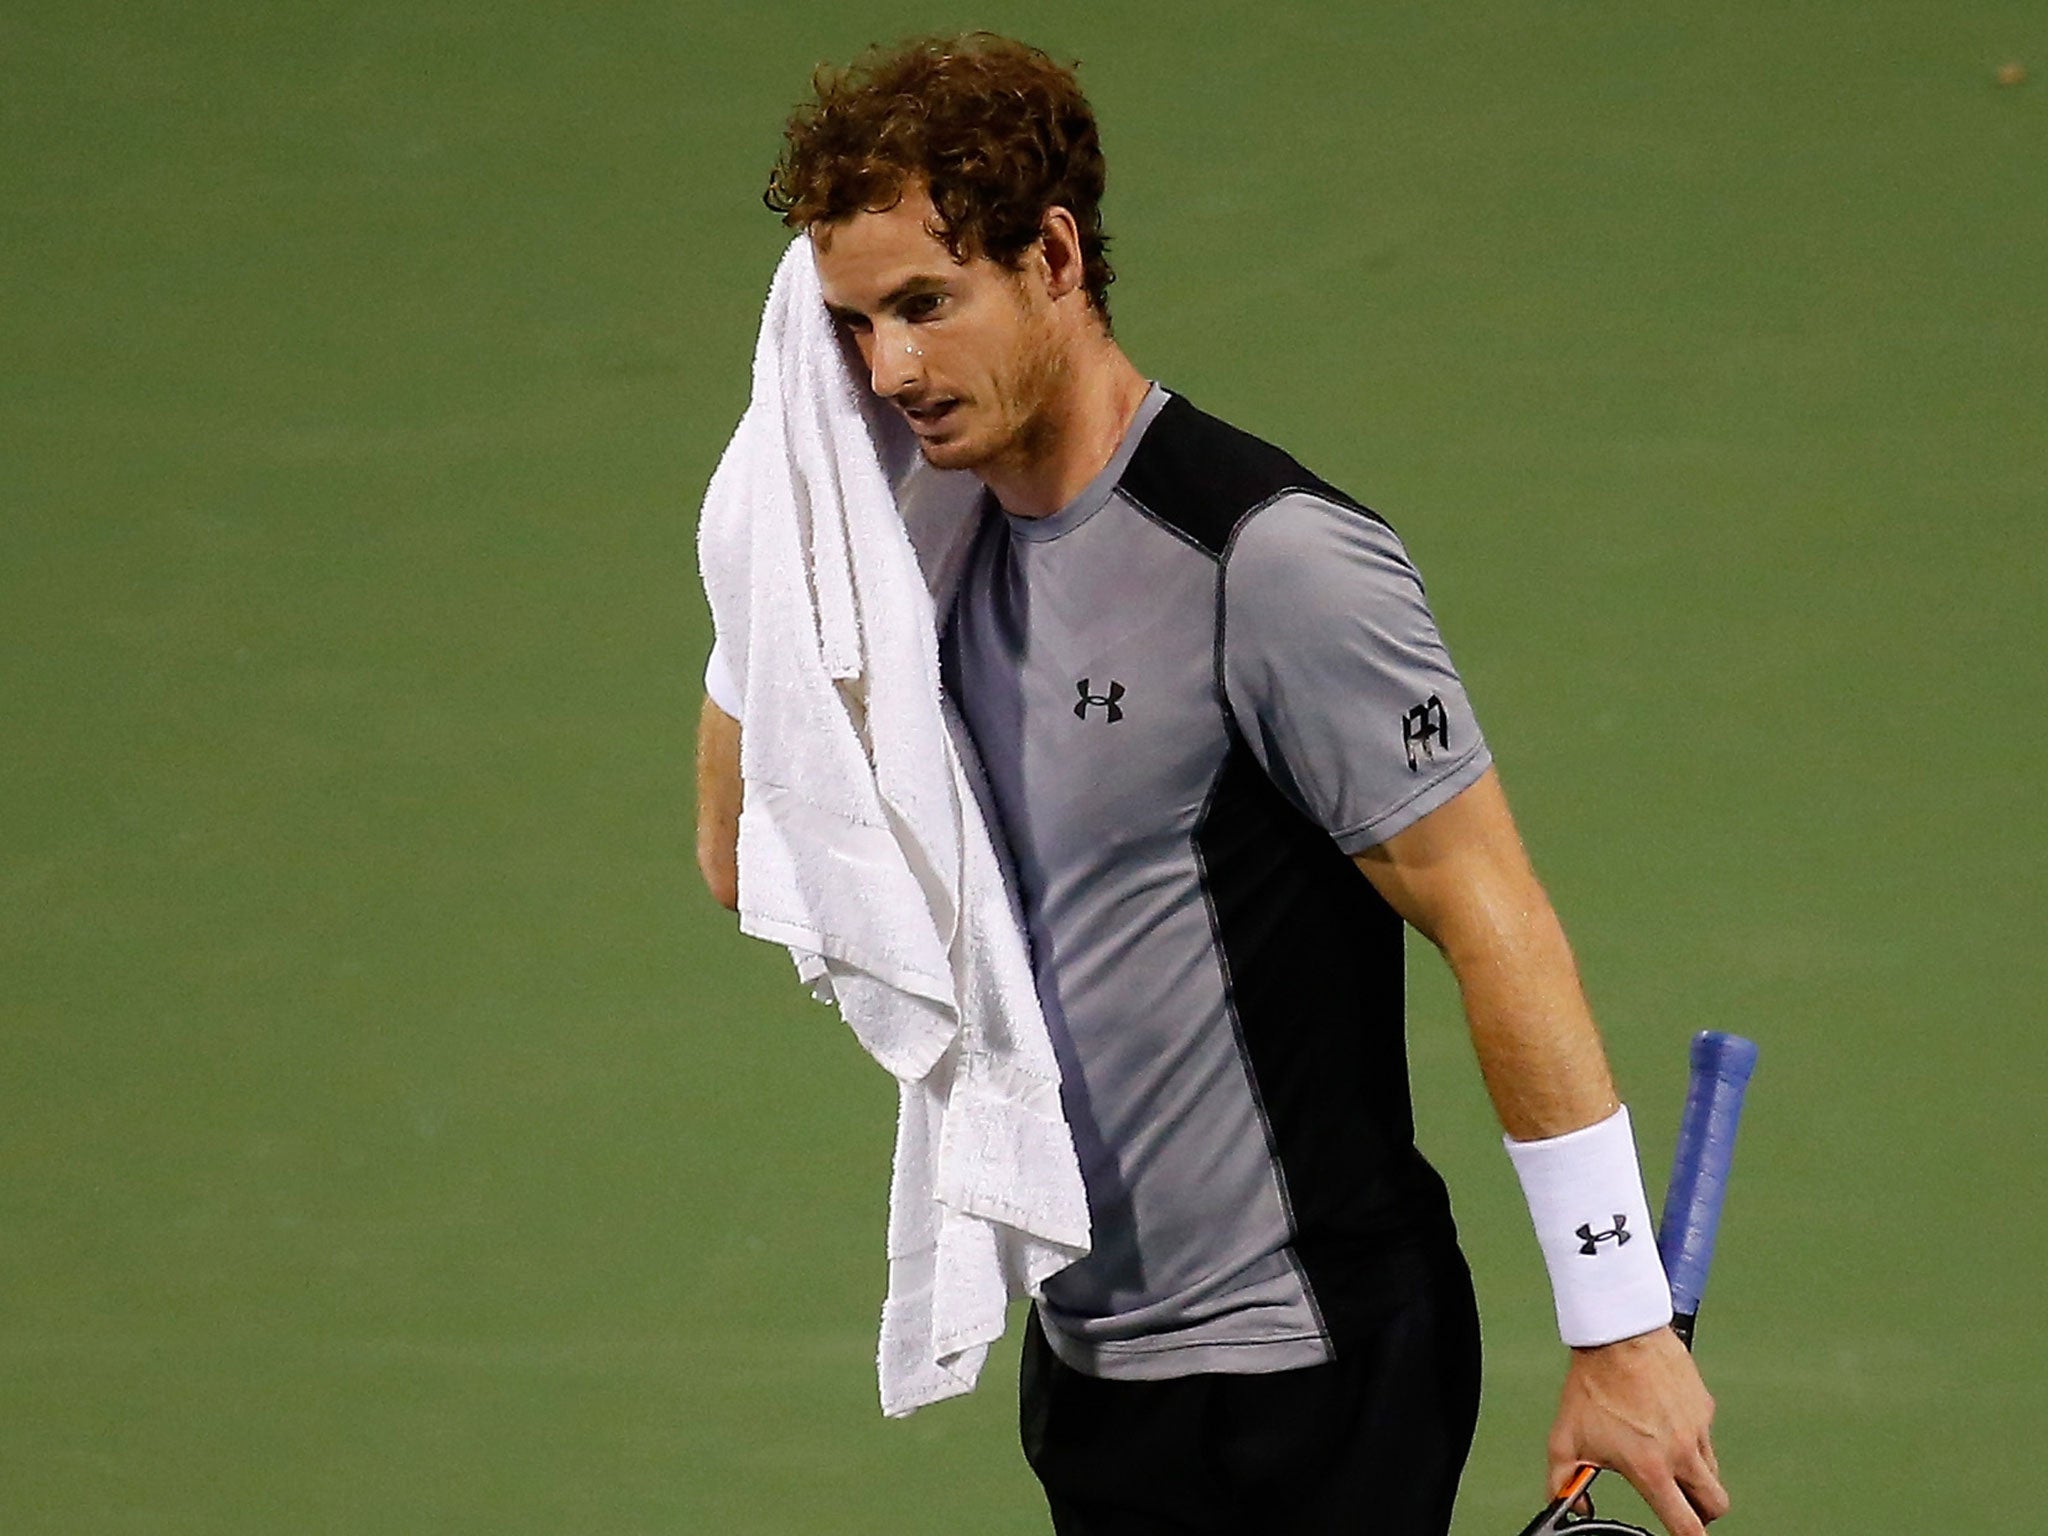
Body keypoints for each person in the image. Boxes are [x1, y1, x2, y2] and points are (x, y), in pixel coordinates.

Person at [696, 33, 1727, 1536]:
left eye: (927, 303)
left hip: (1305, 1364)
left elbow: (1490, 906)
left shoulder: (1268, 557)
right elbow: (744, 848)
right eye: (851, 328)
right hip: (1090, 1363)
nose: (891, 370)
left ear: (1053, 255)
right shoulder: (909, 568)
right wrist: (779, 527)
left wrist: (1620, 1322)